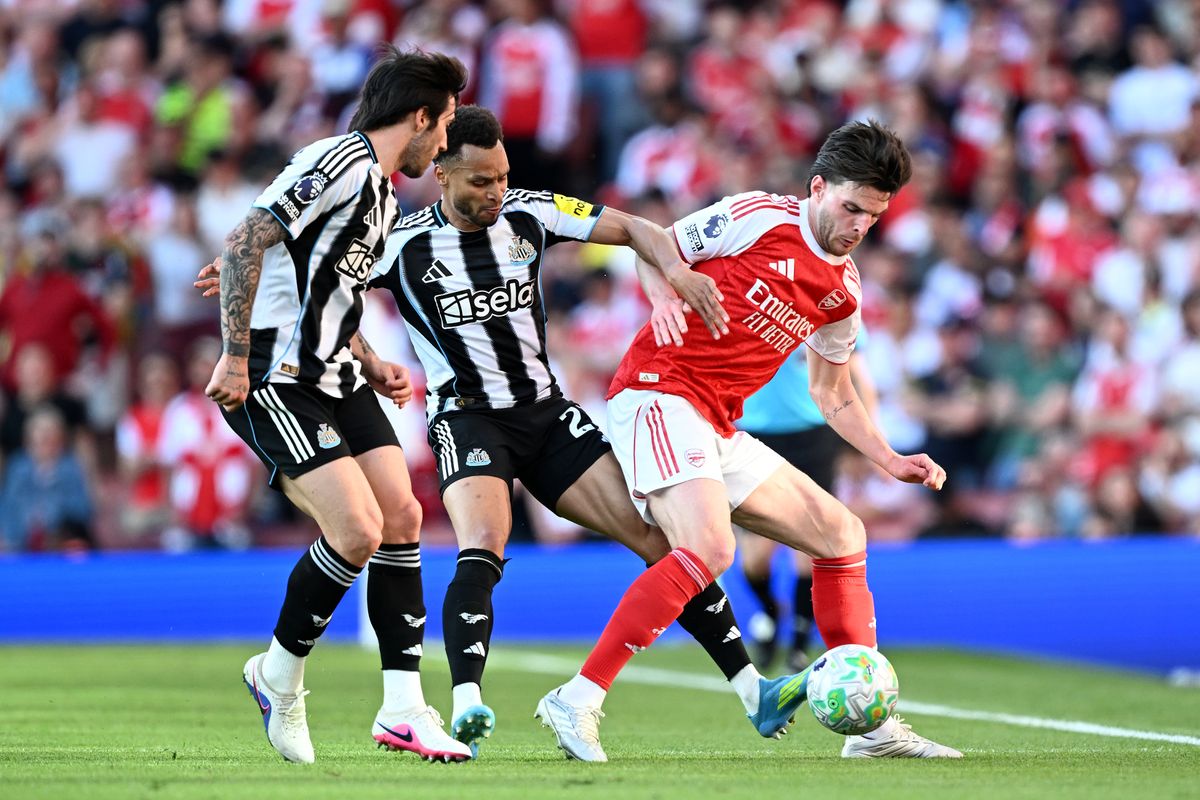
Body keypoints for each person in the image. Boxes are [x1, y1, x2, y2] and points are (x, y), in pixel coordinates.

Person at [367, 105, 802, 757]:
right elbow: (325, 295)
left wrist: (674, 275)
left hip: (545, 415)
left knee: (660, 541)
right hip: (469, 418)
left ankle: (752, 690)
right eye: (481, 181)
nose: (497, 192)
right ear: (441, 173)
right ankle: (466, 703)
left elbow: (635, 228)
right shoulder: (400, 246)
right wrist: (367, 360)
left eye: (503, 177)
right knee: (485, 543)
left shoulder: (530, 213)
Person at [535, 120, 963, 761]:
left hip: (717, 421)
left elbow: (832, 392)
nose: (858, 227)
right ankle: (578, 697)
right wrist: (663, 295)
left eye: (872, 217)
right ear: (818, 187)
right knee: (711, 547)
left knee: (842, 534)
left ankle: (871, 731)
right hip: (658, 390)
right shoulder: (757, 217)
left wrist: (889, 459)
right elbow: (654, 245)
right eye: (851, 208)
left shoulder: (842, 293)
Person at [203, 46, 470, 765]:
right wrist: (235, 355)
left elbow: (324, 287)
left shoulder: (381, 193)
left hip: (338, 377)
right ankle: (278, 677)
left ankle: (403, 709)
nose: (444, 143)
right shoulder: (339, 161)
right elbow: (246, 238)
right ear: (420, 117)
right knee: (357, 530)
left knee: (403, 517)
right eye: (445, 125)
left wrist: (370, 357)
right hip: (277, 377)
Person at [735, 340, 878, 673]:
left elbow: (858, 377)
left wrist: (872, 443)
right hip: (755, 435)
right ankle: (771, 611)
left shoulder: (834, 312)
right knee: (754, 560)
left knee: (808, 550)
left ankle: (799, 643)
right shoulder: (746, 308)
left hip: (813, 437)